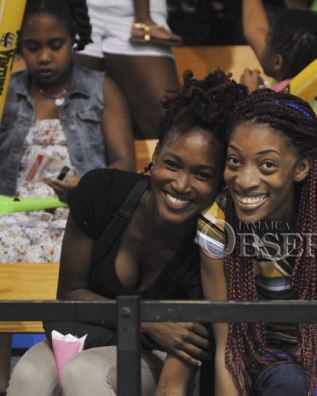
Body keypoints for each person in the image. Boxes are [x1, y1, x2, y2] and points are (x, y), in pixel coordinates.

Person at [6, 70, 249, 396]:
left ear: (219, 181)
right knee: (28, 375)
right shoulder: (100, 192)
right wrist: (146, 320)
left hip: (154, 357)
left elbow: (183, 357)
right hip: (88, 334)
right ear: (156, 154)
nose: (181, 184)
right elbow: (70, 294)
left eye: (201, 174)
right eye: (173, 164)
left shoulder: (209, 242)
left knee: (84, 374)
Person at [155, 89, 317, 395]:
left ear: (301, 168)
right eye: (234, 161)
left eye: (266, 165)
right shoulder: (218, 223)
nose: (244, 180)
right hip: (270, 357)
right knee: (291, 382)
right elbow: (229, 346)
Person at [0, 1, 135, 392]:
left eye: (55, 45)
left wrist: (88, 185)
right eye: (32, 46)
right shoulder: (7, 91)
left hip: (76, 216)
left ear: (74, 40)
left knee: (78, 247)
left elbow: (124, 163)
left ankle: (67, 363)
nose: (43, 57)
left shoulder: (100, 88)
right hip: (13, 213)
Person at [73, 0, 182, 139]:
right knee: (72, 123)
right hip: (77, 8)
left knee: (171, 129)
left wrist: (143, 17)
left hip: (137, 13)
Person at [241, 0, 317, 135]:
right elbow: (255, 29)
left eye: (266, 42)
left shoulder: (300, 119)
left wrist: (250, 99)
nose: (263, 42)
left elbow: (258, 143)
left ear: (277, 62)